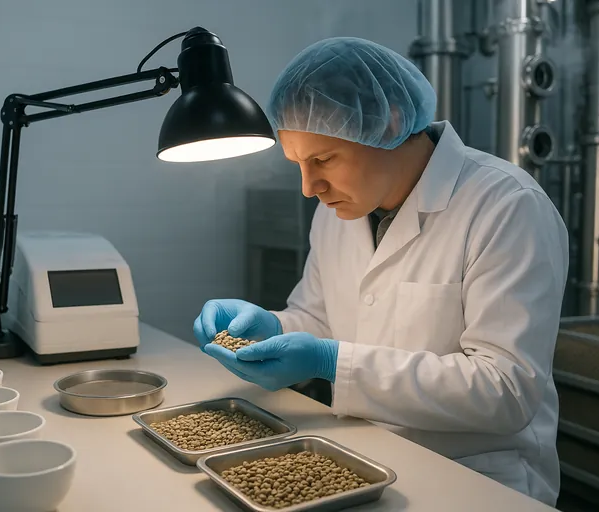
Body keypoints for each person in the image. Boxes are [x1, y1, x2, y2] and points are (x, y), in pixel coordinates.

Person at [192, 36, 569, 506]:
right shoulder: (339, 211)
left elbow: (507, 390)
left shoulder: (506, 206)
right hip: (362, 463)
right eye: (298, 165)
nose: (310, 187)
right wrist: (271, 328)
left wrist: (330, 361)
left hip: (476, 480)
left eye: (323, 159)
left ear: (388, 122)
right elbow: (320, 318)